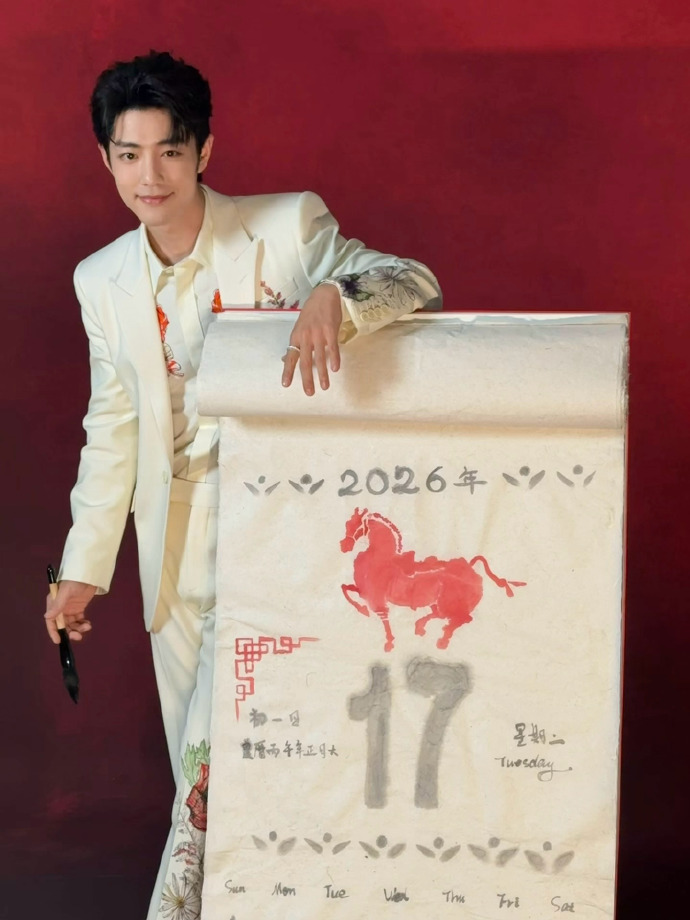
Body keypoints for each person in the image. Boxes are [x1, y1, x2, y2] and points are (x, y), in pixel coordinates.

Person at [44, 50, 441, 918]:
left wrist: (334, 295)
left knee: (219, 773)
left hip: (277, 540)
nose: (150, 176)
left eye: (169, 151)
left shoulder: (285, 228)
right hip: (173, 549)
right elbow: (114, 427)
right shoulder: (100, 280)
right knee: (213, 795)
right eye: (128, 155)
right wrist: (83, 568)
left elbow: (414, 281)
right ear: (106, 158)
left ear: (205, 151)